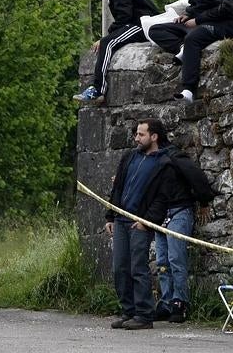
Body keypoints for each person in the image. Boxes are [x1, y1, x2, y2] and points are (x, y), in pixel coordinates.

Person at [105, 118, 173, 330]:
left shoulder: (164, 163)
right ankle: (129, 311)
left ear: (154, 137)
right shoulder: (129, 157)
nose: (136, 138)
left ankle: (144, 315)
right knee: (119, 268)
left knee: (138, 268)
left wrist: (148, 222)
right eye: (136, 134)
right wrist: (110, 215)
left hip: (140, 223)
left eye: (141, 134)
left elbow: (163, 198)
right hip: (121, 219)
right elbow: (118, 188)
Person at [148, 0, 233, 104]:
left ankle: (188, 90)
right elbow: (199, 3)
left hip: (225, 24)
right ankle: (182, 48)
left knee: (193, 39)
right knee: (155, 30)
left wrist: (198, 20)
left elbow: (227, 7)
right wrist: (188, 14)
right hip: (202, 21)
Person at [73, 0, 159, 103]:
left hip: (143, 25)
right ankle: (97, 88)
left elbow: (124, 16)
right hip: (139, 22)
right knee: (108, 41)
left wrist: (107, 36)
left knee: (107, 43)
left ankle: (98, 88)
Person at [154, 144, 215, 323]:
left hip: (179, 210)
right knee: (162, 261)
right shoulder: (147, 161)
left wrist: (204, 200)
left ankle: (179, 302)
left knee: (176, 258)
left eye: (140, 134)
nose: (136, 139)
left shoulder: (175, 157)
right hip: (160, 214)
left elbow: (197, 176)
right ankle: (165, 302)